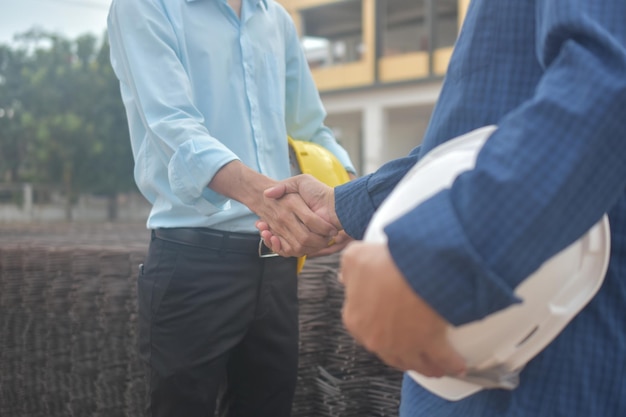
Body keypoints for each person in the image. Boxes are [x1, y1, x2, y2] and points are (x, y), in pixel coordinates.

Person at [257, 1, 626, 416]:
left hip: (541, 342)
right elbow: (471, 142)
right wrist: (345, 205)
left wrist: (437, 262)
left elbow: (608, 81)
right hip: (496, 339)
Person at [106, 0, 356, 416]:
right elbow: (173, 126)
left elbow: (311, 128)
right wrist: (268, 199)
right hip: (193, 259)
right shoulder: (144, 6)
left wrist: (346, 198)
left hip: (277, 261)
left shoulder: (275, 19)